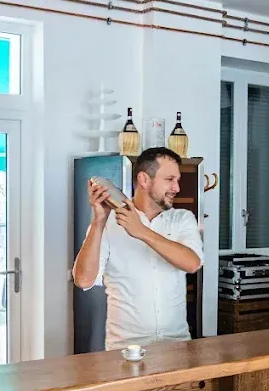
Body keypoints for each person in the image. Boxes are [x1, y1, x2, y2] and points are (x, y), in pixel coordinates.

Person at [72, 147, 203, 351]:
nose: (176, 188)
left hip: (176, 346)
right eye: (169, 179)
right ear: (144, 179)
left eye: (178, 180)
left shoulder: (183, 219)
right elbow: (83, 280)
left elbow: (192, 263)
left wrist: (141, 231)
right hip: (125, 349)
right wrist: (98, 221)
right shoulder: (108, 224)